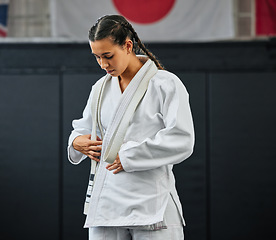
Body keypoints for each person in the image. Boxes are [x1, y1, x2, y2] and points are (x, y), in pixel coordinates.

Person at [67, 14, 194, 240]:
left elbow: (181, 139)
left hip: (152, 203)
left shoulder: (165, 84)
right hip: (107, 203)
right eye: (96, 57)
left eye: (108, 56)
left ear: (127, 46)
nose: (103, 64)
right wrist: (76, 142)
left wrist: (127, 156)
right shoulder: (99, 88)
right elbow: (83, 129)